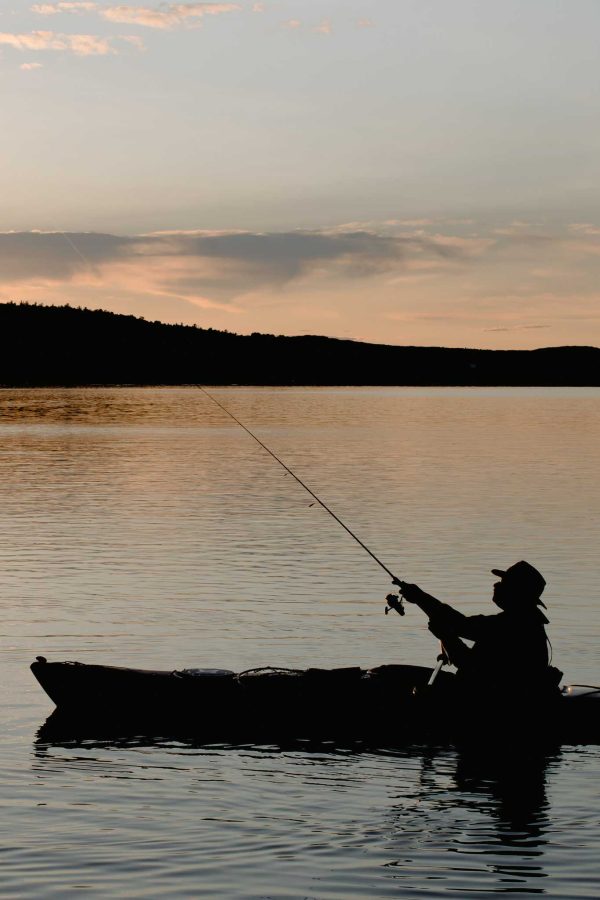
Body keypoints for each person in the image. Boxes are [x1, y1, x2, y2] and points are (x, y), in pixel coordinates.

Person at [393, 561, 560, 698]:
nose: (496, 585)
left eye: (504, 583)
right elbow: (458, 625)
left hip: (497, 700)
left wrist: (445, 635)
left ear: (516, 593)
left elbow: (468, 661)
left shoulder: (510, 625)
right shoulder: (524, 621)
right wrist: (421, 599)